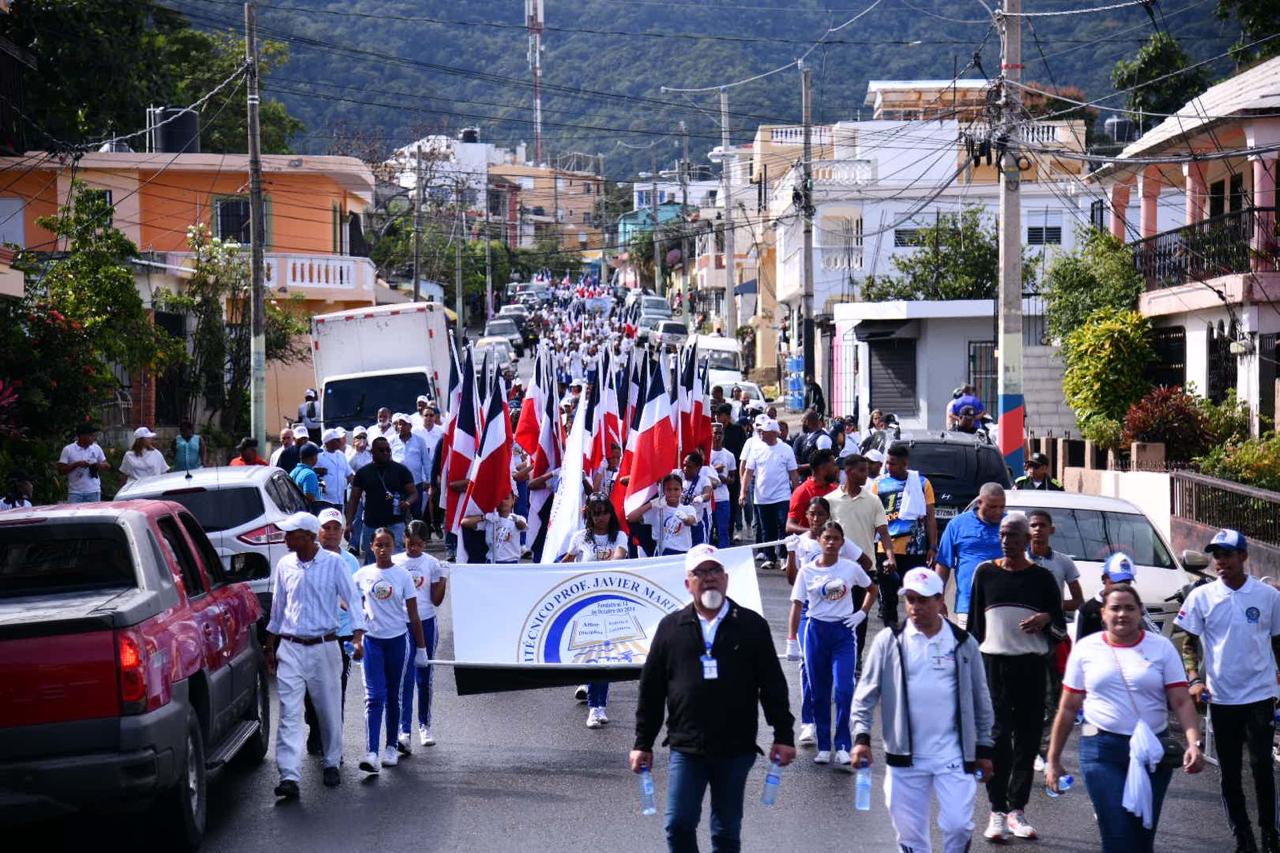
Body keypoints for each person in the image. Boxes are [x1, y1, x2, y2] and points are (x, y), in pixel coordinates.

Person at [631, 544, 796, 853]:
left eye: (715, 571)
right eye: (700, 573)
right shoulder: (671, 628)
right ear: (687, 583)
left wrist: (783, 735)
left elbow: (773, 684)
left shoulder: (751, 625)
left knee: (725, 833)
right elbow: (651, 690)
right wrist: (642, 743)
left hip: (736, 748)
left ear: (726, 578)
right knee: (678, 825)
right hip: (686, 747)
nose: (709, 579)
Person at [1046, 584, 1204, 852]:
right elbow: (1069, 707)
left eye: (1129, 608)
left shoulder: (1161, 648)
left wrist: (1193, 744)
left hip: (1153, 752)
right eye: (1115, 608)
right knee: (1117, 835)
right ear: (1103, 613)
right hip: (1101, 751)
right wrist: (1053, 759)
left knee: (1142, 837)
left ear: (1140, 611)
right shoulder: (1086, 649)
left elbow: (1180, 701)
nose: (1122, 614)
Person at [852, 567, 996, 853]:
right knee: (909, 834)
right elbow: (865, 695)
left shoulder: (963, 643)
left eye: (923, 600)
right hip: (905, 756)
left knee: (959, 825)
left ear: (940, 600)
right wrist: (861, 739)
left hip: (953, 754)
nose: (916, 607)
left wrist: (984, 748)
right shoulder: (889, 641)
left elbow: (981, 698)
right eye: (911, 600)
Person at [1175, 529, 1280, 853]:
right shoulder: (1201, 597)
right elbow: (1187, 641)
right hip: (1221, 698)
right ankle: (1243, 837)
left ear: (1243, 556)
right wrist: (1194, 678)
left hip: (1260, 694)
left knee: (1262, 766)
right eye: (1216, 555)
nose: (1221, 562)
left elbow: (1278, 641)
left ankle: (1269, 835)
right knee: (1230, 772)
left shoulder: (1268, 597)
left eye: (1227, 555)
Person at [968, 514, 1068, 843]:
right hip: (993, 665)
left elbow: (1059, 629)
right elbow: (974, 628)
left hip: (1030, 667)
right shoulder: (985, 573)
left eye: (1013, 536)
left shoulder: (1041, 579)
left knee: (1026, 739)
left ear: (1027, 541)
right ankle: (996, 810)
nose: (1006, 541)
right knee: (997, 739)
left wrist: (1045, 619)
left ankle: (1017, 810)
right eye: (1002, 535)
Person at [265, 511, 366, 797]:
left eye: (291, 534)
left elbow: (353, 600)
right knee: (289, 712)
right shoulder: (285, 565)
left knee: (328, 709)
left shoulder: (334, 564)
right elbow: (278, 608)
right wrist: (269, 646)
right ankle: (289, 776)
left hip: (324, 646)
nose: (286, 538)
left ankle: (332, 761)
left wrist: (358, 635)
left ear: (308, 537)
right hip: (291, 647)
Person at [784, 496, 876, 748]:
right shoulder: (800, 542)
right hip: (808, 612)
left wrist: (855, 600)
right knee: (807, 666)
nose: (815, 519)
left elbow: (866, 565)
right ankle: (808, 722)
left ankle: (838, 736)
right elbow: (793, 582)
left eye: (820, 514)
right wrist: (791, 553)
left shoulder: (836, 541)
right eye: (811, 514)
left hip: (837, 615)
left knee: (841, 684)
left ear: (827, 515)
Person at [352, 528, 428, 774]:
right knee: (374, 697)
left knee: (394, 695)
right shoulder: (363, 575)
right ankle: (372, 752)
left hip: (397, 641)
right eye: (378, 545)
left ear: (394, 547)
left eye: (387, 545)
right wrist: (357, 627)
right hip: (373, 642)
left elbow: (414, 615)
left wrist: (421, 648)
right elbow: (348, 600)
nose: (383, 549)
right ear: (371, 547)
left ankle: (391, 746)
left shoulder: (403, 576)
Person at [563, 494, 629, 728]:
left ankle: (598, 707)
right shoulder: (580, 538)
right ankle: (592, 699)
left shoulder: (619, 536)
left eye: (604, 512)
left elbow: (619, 557)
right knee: (590, 654)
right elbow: (566, 563)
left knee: (605, 656)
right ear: (589, 515)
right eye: (596, 513)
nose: (601, 517)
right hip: (584, 605)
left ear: (611, 513)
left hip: (609, 604)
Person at [826, 453, 897, 671]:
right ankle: (836, 656)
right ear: (848, 472)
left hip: (866, 569)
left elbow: (884, 533)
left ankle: (855, 658)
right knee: (835, 614)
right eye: (862, 471)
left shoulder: (873, 501)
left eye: (867, 470)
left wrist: (890, 556)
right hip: (836, 571)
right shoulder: (830, 501)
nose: (867, 475)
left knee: (860, 617)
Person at [303, 508, 361, 757]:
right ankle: (315, 725)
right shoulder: (307, 558)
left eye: (337, 528)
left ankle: (332, 743)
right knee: (311, 689)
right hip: (313, 634)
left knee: (338, 687)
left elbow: (355, 596)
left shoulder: (350, 561)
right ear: (318, 531)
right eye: (327, 528)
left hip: (342, 634)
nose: (332, 533)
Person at [395, 520, 448, 749]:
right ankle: (403, 730)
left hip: (426, 622)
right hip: (401, 624)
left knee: (424, 676)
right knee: (404, 678)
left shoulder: (433, 564)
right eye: (409, 543)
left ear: (425, 544)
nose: (413, 548)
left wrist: (444, 578)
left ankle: (424, 726)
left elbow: (436, 600)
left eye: (418, 544)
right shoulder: (396, 563)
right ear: (404, 540)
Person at [871, 444, 937, 628]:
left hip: (915, 550)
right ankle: (892, 637)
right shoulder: (879, 483)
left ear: (904, 464)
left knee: (915, 596)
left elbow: (930, 516)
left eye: (892, 464)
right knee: (888, 599)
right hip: (886, 550)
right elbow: (873, 517)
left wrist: (932, 546)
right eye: (887, 463)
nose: (888, 467)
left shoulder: (922, 483)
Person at [933, 482, 1006, 629]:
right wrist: (938, 598)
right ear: (979, 503)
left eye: (1001, 507)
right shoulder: (957, 525)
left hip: (1003, 605)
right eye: (992, 507)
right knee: (967, 649)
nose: (998, 511)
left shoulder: (1009, 525)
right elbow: (943, 565)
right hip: (968, 606)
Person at [740, 418, 799, 571]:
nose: (761, 434)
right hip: (762, 497)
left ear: (774, 433)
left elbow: (793, 473)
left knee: (783, 527)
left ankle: (784, 557)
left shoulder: (786, 449)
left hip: (782, 496)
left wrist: (797, 493)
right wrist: (743, 491)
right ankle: (769, 557)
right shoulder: (756, 449)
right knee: (767, 529)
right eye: (760, 432)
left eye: (764, 432)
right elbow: (748, 472)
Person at [346, 437, 416, 562]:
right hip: (372, 523)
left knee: (396, 562)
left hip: (395, 523)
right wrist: (349, 523)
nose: (386, 453)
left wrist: (407, 502)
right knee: (373, 563)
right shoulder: (363, 472)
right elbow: (354, 499)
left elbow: (414, 493)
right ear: (372, 452)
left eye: (388, 450)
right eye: (381, 450)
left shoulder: (401, 470)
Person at [629, 473, 699, 556]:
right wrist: (652, 504)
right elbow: (631, 517)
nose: (672, 492)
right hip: (663, 553)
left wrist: (685, 518)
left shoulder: (688, 509)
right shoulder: (658, 510)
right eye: (669, 489)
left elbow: (691, 521)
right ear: (663, 491)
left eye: (676, 489)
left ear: (681, 490)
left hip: (683, 553)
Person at [461, 492, 527, 563]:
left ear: (513, 500)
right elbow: (464, 522)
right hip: (492, 561)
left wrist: (515, 520)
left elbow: (522, 526)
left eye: (506, 498)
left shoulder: (518, 518)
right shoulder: (490, 518)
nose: (503, 501)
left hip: (511, 562)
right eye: (499, 499)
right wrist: (484, 517)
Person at [785, 448, 838, 534]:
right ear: (822, 468)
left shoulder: (835, 489)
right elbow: (789, 526)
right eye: (833, 465)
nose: (836, 469)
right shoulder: (802, 492)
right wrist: (814, 532)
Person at [390, 414, 431, 520]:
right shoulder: (391, 441)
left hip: (415, 483)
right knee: (398, 512)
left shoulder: (419, 441)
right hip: (397, 483)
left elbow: (426, 461)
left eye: (404, 424)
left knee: (416, 512)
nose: (400, 427)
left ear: (410, 426)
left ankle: (416, 535)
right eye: (399, 424)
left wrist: (429, 480)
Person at [673, 451, 716, 547]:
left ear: (698, 468)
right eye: (684, 465)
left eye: (689, 466)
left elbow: (707, 494)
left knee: (700, 551)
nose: (685, 469)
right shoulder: (677, 475)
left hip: (696, 524)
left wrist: (701, 497)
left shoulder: (704, 480)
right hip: (679, 524)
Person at [708, 425, 736, 548]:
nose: (717, 436)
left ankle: (724, 555)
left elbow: (732, 478)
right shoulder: (705, 454)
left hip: (723, 498)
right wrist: (714, 470)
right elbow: (699, 473)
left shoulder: (729, 455)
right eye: (715, 433)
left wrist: (725, 480)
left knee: (723, 529)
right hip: (708, 498)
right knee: (708, 530)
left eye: (720, 433)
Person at [314, 428, 353, 511]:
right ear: (329, 442)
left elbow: (349, 475)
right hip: (325, 501)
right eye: (337, 440)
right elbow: (310, 472)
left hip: (340, 501)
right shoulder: (319, 457)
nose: (340, 442)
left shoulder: (341, 455)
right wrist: (317, 471)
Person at [792, 409, 833, 478]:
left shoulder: (822, 438)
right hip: (804, 479)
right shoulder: (803, 438)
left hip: (817, 480)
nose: (801, 424)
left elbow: (824, 461)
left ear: (807, 422)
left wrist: (801, 467)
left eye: (803, 421)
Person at [290, 443, 322, 509]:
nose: (317, 458)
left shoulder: (293, 472)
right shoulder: (309, 474)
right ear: (313, 457)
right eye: (316, 455)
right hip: (307, 514)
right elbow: (309, 499)